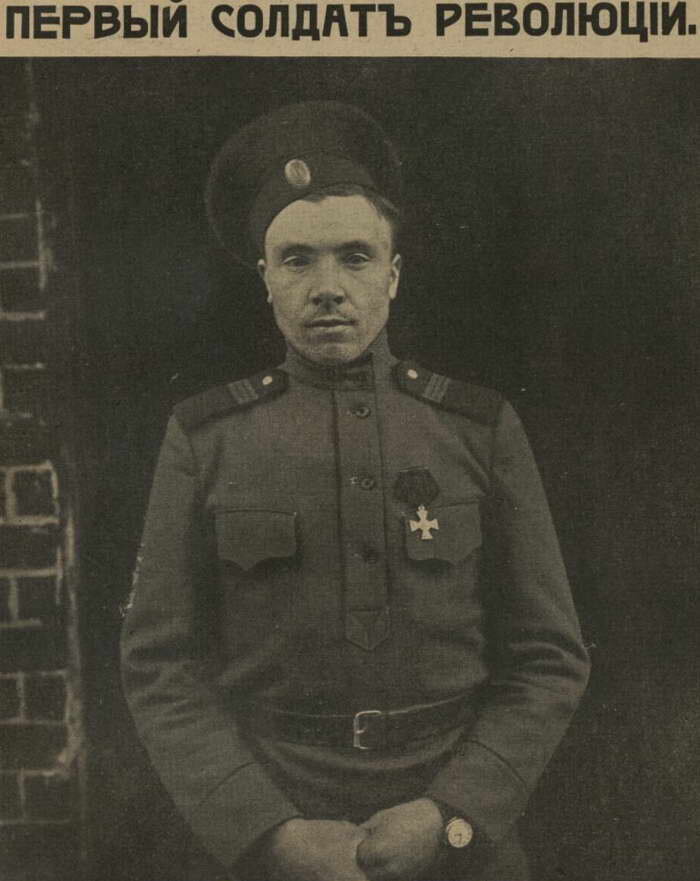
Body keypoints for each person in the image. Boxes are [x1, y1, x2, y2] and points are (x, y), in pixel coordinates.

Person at [121, 101, 590, 881]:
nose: (328, 288)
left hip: (454, 831)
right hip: (276, 820)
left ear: (393, 275)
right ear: (265, 279)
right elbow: (159, 665)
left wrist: (451, 815)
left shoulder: (477, 429)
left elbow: (549, 656)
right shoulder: (206, 439)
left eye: (355, 257)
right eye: (297, 260)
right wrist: (267, 833)